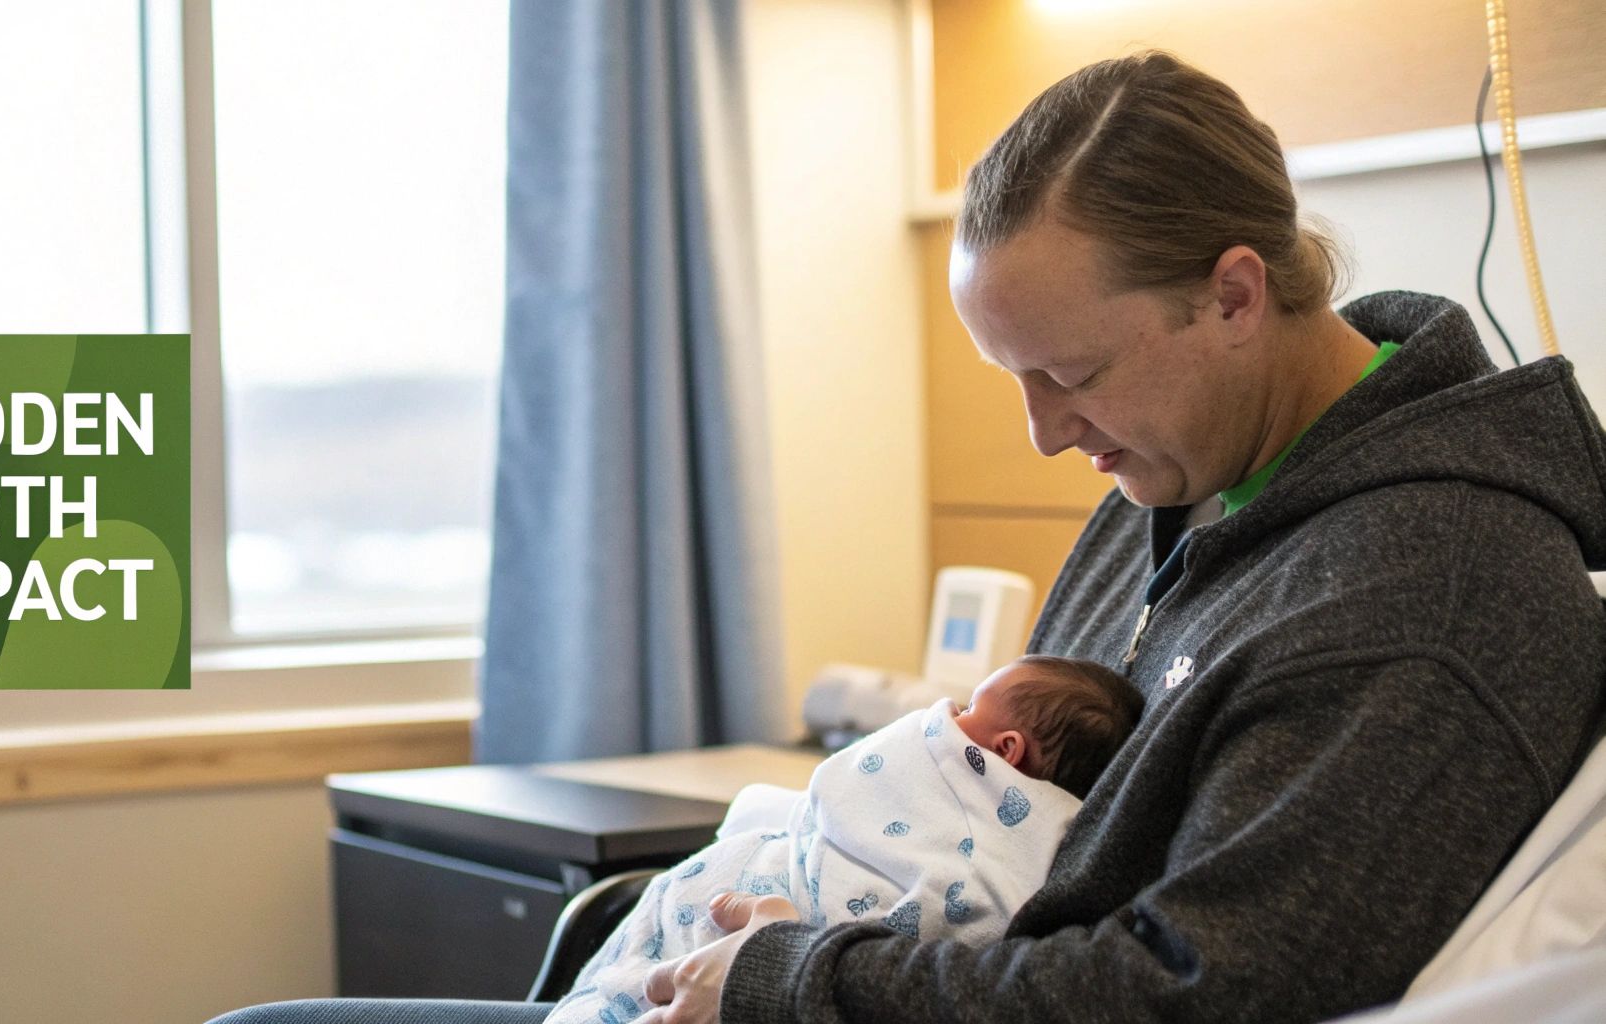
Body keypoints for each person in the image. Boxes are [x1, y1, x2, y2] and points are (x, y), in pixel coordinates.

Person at [206, 49, 1606, 1024]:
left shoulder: (1433, 596)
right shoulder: (1185, 485)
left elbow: (1206, 991)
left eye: (1074, 374)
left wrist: (790, 983)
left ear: (1235, 295)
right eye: (1018, 379)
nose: (1049, 436)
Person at [545, 656, 1142, 1024]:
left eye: (965, 709)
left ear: (1004, 751)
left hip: (763, 956)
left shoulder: (1020, 839)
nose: (944, 717)